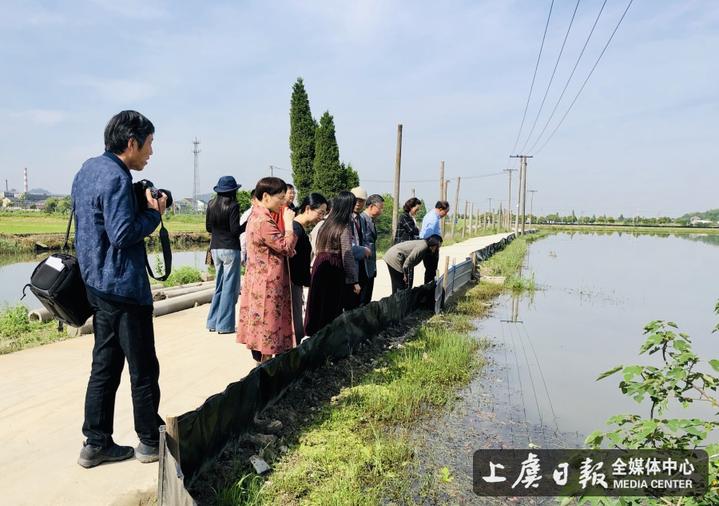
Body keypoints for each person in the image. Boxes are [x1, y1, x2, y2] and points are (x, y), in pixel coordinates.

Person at [72, 110, 166, 468]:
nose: (151, 152)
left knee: (105, 364)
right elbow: (123, 234)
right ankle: (148, 441)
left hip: (95, 282)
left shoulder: (89, 169)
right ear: (132, 143)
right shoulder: (115, 176)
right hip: (123, 287)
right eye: (149, 144)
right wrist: (155, 213)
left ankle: (95, 443)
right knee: (143, 366)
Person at [237, 177, 297, 363]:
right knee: (269, 326)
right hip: (268, 284)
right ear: (266, 196)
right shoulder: (264, 220)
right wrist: (289, 225)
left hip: (258, 279)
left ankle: (263, 366)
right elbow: (286, 247)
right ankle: (265, 370)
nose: (283, 202)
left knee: (263, 327)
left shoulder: (255, 215)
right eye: (280, 198)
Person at [304, 191, 359, 336]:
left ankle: (313, 334)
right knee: (331, 305)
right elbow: (347, 255)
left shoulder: (325, 224)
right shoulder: (343, 227)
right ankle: (327, 338)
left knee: (317, 302)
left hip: (320, 263)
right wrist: (354, 280)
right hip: (334, 267)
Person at [289, 193, 328, 344]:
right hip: (293, 282)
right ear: (307, 208)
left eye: (324, 213)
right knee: (295, 320)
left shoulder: (299, 229)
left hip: (297, 281)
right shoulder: (295, 230)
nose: (322, 216)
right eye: (320, 212)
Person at [205, 176, 242, 334]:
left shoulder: (211, 204)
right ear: (233, 190)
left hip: (215, 249)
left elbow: (208, 228)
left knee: (219, 286)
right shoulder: (233, 205)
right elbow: (235, 231)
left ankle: (212, 322)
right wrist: (246, 225)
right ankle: (225, 325)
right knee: (230, 287)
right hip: (230, 249)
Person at [346, 186, 370, 310]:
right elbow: (347, 245)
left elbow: (363, 238)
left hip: (361, 263)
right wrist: (362, 250)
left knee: (360, 299)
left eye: (362, 201)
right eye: (356, 200)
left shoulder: (361, 219)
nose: (358, 203)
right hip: (350, 263)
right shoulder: (345, 217)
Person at [358, 194, 384, 304]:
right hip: (363, 265)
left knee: (367, 297)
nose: (382, 211)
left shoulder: (371, 220)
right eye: (380, 208)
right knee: (362, 299)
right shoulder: (361, 219)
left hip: (370, 265)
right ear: (372, 206)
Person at [394, 197, 422, 287]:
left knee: (409, 278)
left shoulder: (410, 217)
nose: (417, 211)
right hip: (402, 252)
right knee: (404, 278)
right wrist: (418, 229)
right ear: (410, 207)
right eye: (416, 209)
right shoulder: (404, 216)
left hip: (409, 251)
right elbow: (413, 230)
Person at [419, 200, 450, 283]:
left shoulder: (434, 216)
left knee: (431, 271)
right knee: (431, 271)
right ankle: (429, 292)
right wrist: (433, 245)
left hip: (432, 247)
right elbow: (427, 234)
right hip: (430, 249)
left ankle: (430, 290)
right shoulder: (432, 218)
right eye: (445, 212)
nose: (446, 214)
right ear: (440, 209)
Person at [240, 189, 256, 266]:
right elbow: (243, 235)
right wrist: (242, 254)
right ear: (252, 200)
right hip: (250, 253)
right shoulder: (248, 215)